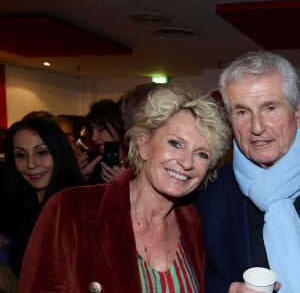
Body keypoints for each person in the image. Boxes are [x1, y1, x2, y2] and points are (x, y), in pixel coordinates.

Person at [18, 86, 230, 292]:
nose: (187, 163)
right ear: (143, 144)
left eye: (202, 154)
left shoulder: (197, 225)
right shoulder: (70, 211)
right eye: (175, 143)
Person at [194, 51, 300, 292]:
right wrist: (228, 290)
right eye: (242, 112)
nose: (257, 127)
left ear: (297, 111)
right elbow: (190, 275)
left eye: (269, 108)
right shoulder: (208, 196)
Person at [4, 115, 84, 276]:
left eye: (41, 152)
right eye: (21, 155)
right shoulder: (14, 207)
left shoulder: (77, 211)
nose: (31, 164)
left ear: (59, 153)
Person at [78, 99, 127, 184]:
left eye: (100, 129)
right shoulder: (93, 165)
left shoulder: (139, 163)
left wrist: (127, 184)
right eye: (92, 131)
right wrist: (80, 180)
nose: (94, 138)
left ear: (119, 126)